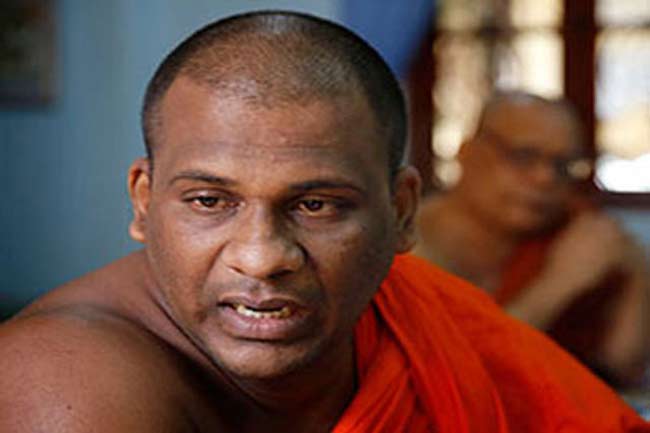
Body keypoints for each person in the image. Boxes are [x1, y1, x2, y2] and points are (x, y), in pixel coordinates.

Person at [1, 11, 648, 432]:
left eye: (316, 205)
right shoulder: (68, 384)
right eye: (209, 201)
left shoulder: (409, 316)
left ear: (400, 212)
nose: (262, 257)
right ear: (144, 203)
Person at [414, 91, 650, 388]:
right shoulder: (402, 245)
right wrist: (558, 285)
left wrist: (637, 272)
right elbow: (446, 375)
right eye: (524, 156)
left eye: (562, 166)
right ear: (467, 152)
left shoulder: (569, 233)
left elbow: (620, 372)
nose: (544, 178)